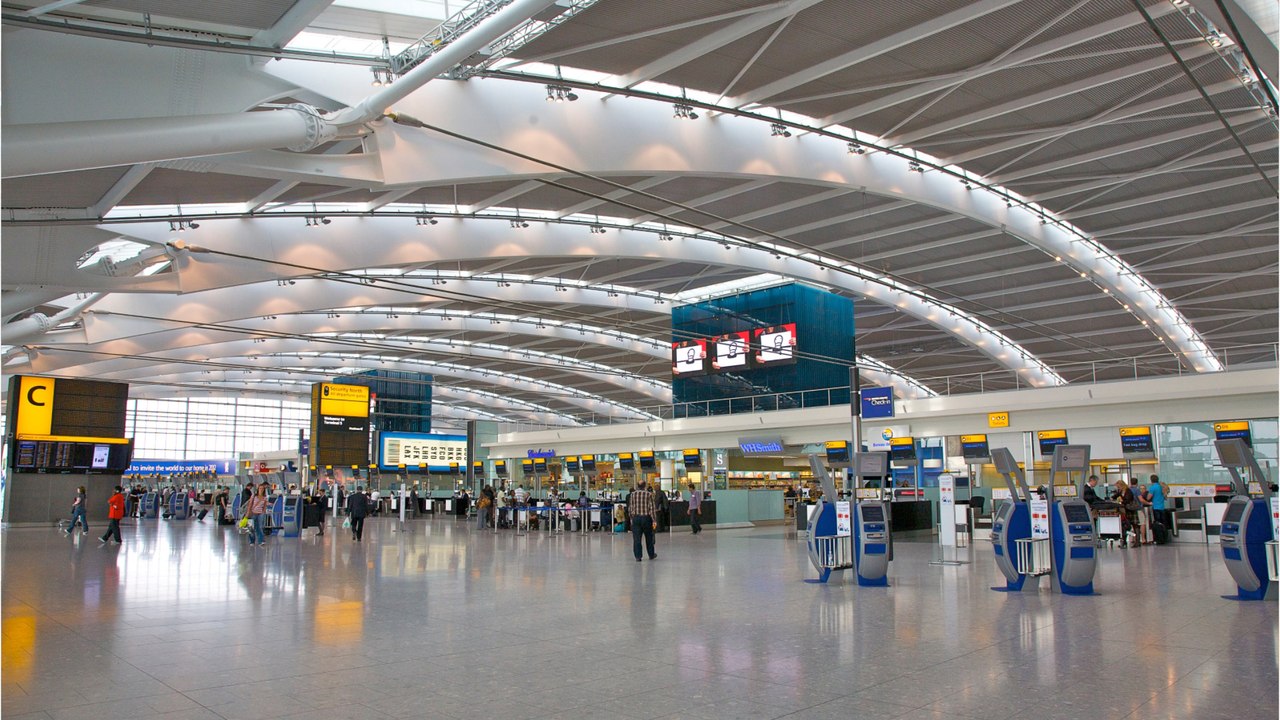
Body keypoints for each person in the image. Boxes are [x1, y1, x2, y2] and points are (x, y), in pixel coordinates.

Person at [627, 480, 658, 562]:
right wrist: (654, 520)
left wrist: (631, 518)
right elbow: (652, 508)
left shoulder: (633, 494)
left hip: (636, 518)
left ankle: (638, 556)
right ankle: (651, 555)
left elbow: (630, 508)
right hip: (646, 518)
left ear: (637, 485)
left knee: (637, 538)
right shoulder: (649, 494)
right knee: (649, 538)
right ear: (645, 486)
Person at [1111, 480, 1137, 548]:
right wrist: (1111, 498)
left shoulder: (1128, 491)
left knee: (1133, 526)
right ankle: (1124, 541)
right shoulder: (1120, 491)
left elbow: (1128, 500)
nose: (1117, 488)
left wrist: (1121, 501)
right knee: (1125, 526)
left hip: (1130, 510)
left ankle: (1137, 541)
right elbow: (1115, 496)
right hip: (1125, 510)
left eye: (1118, 486)